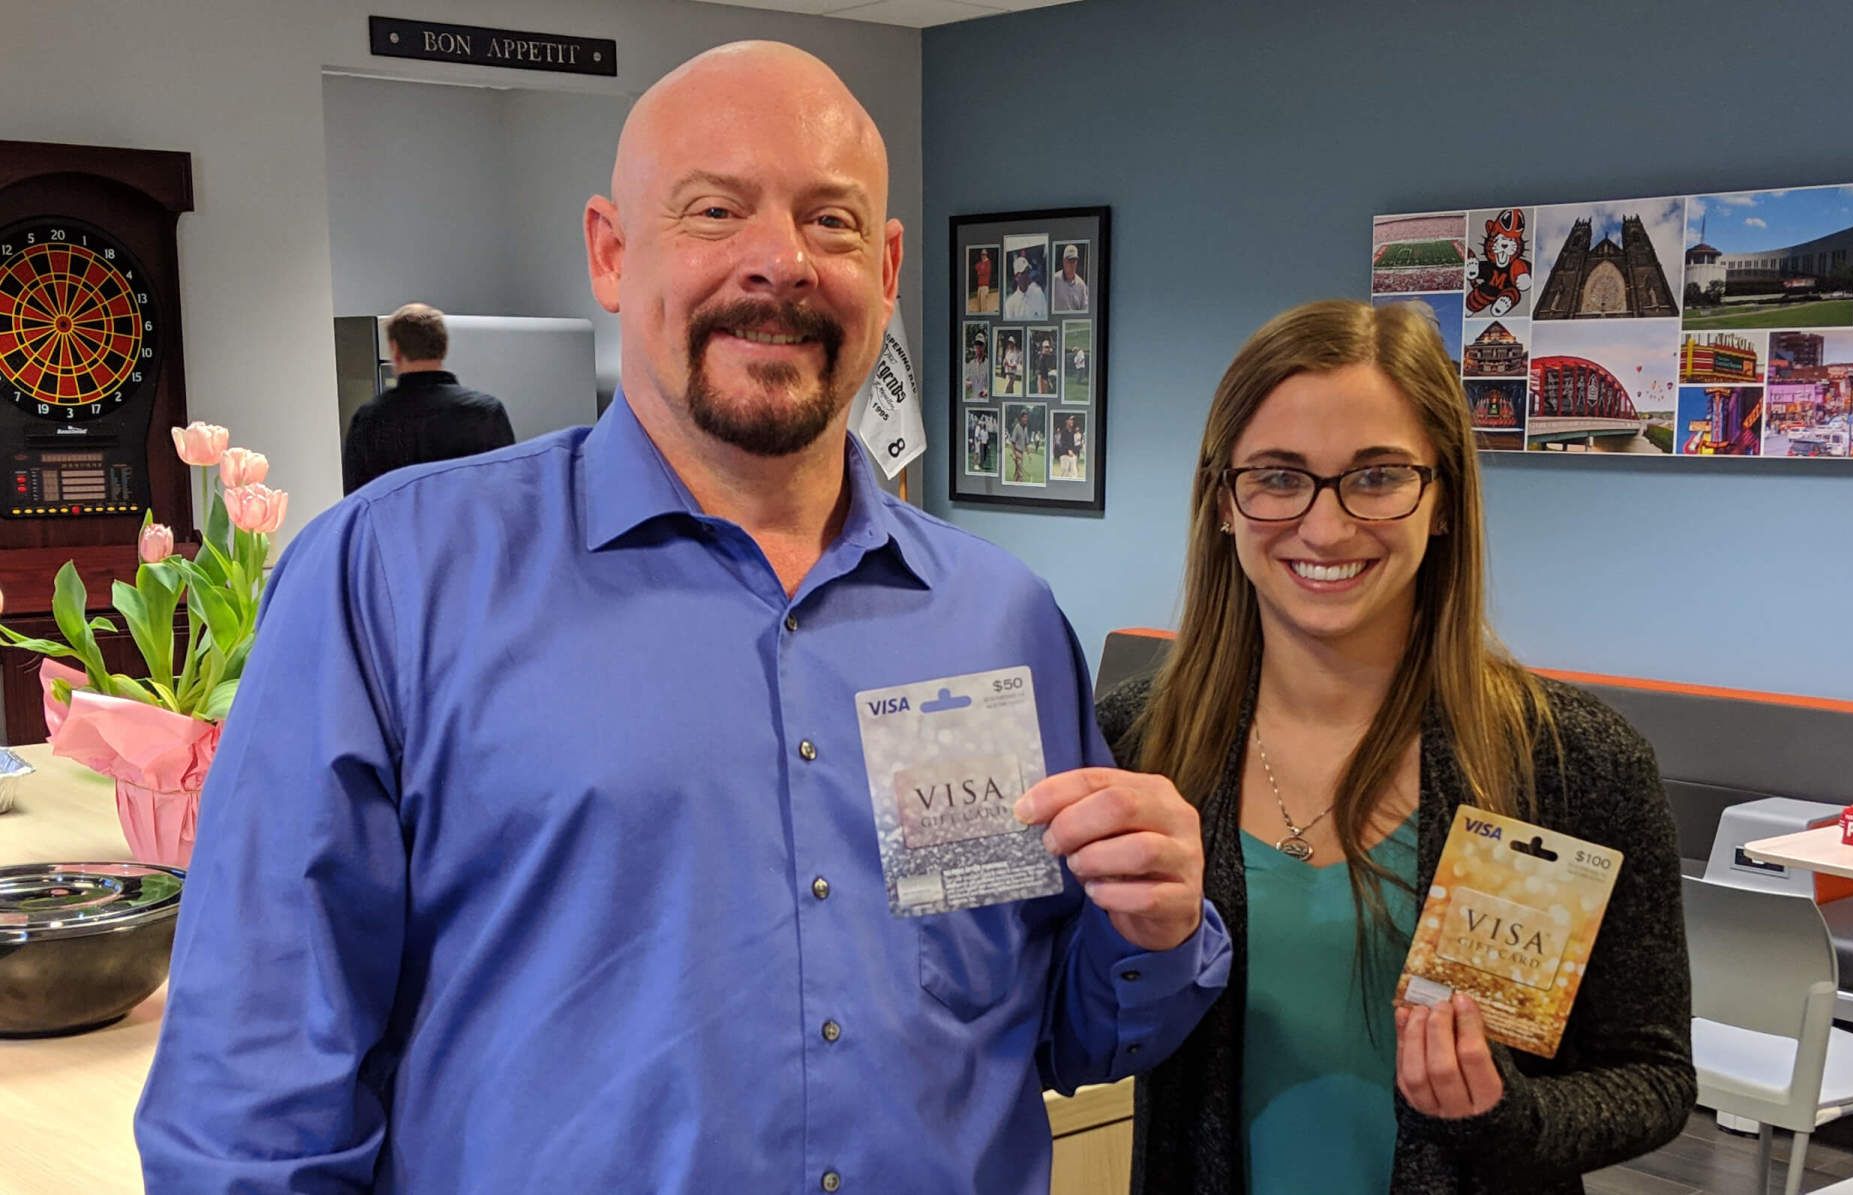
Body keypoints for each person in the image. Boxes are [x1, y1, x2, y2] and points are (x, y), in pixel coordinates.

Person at [135, 41, 1228, 1194]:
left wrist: (1146, 931)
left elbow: (1049, 1032)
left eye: (833, 222)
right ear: (610, 253)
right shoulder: (391, 582)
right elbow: (253, 1099)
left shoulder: (994, 619)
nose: (780, 263)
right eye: (716, 211)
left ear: (890, 265)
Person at [1100, 300, 1692, 1193]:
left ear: (1444, 498)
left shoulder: (1573, 763)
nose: (1327, 527)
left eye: (1377, 477)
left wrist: (1508, 1117)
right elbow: (1070, 1023)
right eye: (1278, 476)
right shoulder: (1135, 745)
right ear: (1223, 502)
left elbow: (1654, 1075)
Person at [339, 302, 516, 493]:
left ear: (395, 350)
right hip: (466, 523)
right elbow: (506, 491)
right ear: (444, 346)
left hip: (399, 523)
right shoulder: (485, 412)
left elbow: (357, 501)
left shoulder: (369, 420)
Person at [1005, 252, 1048, 319]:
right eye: (1024, 273)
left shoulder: (1038, 293)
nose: (1027, 275)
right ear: (1017, 277)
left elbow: (1046, 318)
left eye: (1028, 271)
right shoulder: (1010, 303)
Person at [1052, 242, 1089, 312]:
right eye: (1070, 261)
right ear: (1064, 261)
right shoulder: (1054, 280)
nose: (1072, 264)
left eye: (1074, 261)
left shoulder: (1081, 285)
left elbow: (1085, 309)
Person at [967, 247, 999, 313]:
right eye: (982, 254)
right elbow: (976, 267)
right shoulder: (981, 263)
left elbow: (985, 272)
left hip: (985, 286)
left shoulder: (988, 262)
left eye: (984, 254)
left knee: (983, 308)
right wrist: (981, 269)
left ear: (986, 255)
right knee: (979, 307)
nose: (983, 255)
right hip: (979, 286)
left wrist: (980, 271)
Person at [964, 329, 992, 400]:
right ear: (974, 347)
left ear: (984, 346)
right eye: (977, 344)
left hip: (985, 400)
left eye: (980, 344)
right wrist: (967, 383)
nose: (978, 347)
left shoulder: (989, 364)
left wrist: (987, 391)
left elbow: (992, 385)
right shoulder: (971, 363)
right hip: (973, 399)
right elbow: (964, 381)